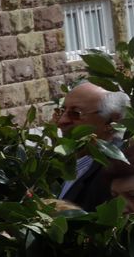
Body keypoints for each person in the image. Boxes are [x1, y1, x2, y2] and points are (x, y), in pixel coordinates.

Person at [54, 81, 130, 209]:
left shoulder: (117, 173)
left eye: (76, 113)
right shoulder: (60, 163)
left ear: (111, 121)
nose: (62, 121)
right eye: (62, 111)